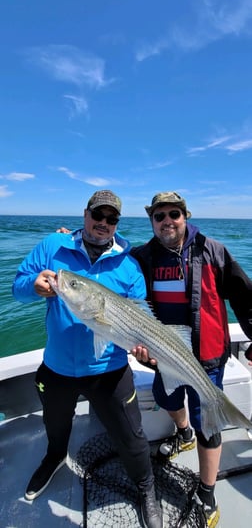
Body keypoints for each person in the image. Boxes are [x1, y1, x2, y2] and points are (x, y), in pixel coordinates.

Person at [12, 190, 162, 528]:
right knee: (56, 426)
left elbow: (139, 317)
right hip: (57, 369)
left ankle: (146, 488)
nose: (103, 224)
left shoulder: (129, 266)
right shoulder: (53, 246)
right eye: (98, 216)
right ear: (85, 215)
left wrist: (141, 347)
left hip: (109, 371)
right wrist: (32, 286)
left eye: (111, 220)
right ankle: (53, 459)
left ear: (117, 224)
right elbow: (17, 285)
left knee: (132, 437)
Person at [130, 192, 252, 528]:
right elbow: (111, 261)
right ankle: (182, 433)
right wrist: (71, 237)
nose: (167, 221)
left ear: (185, 216)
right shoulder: (142, 256)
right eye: (159, 216)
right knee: (166, 397)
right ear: (151, 221)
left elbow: (244, 296)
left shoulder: (212, 250)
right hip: (163, 353)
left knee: (208, 423)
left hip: (207, 356)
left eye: (174, 214)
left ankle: (208, 491)